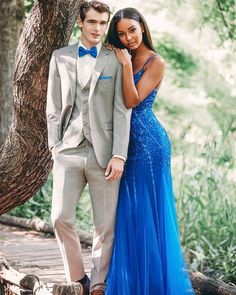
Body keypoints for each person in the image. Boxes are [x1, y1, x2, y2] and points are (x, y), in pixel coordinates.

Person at [104, 7, 195, 295]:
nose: (128, 37)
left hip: (149, 146)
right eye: (121, 33)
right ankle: (132, 282)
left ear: (142, 26)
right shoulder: (118, 56)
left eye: (132, 29)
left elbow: (132, 101)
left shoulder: (155, 62)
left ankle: (153, 286)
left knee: (146, 211)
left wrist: (127, 66)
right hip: (123, 144)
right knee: (128, 212)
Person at [46, 1, 131, 294]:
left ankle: (98, 283)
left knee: (104, 226)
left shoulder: (116, 58)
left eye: (103, 23)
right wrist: (54, 146)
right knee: (59, 217)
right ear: (80, 22)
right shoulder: (60, 57)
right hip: (68, 150)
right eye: (93, 22)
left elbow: (122, 110)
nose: (98, 29)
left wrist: (119, 154)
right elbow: (54, 108)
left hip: (105, 153)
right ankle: (78, 277)